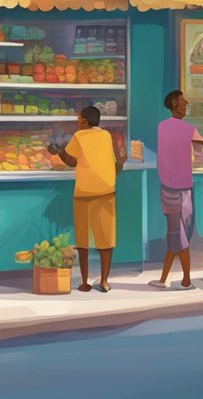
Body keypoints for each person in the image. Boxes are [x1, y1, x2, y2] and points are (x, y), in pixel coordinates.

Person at [54, 106, 124, 293]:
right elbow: (115, 161)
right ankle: (104, 281)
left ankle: (85, 282)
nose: (77, 121)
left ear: (84, 120)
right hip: (106, 192)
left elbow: (72, 161)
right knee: (105, 239)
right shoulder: (106, 136)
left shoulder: (79, 136)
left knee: (83, 241)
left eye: (78, 119)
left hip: (84, 193)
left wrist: (59, 152)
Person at [152, 90, 203, 289]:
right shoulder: (189, 129)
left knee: (176, 235)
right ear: (174, 103)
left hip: (171, 189)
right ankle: (163, 279)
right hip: (185, 189)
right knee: (178, 235)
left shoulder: (162, 127)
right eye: (183, 103)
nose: (186, 105)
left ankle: (186, 280)